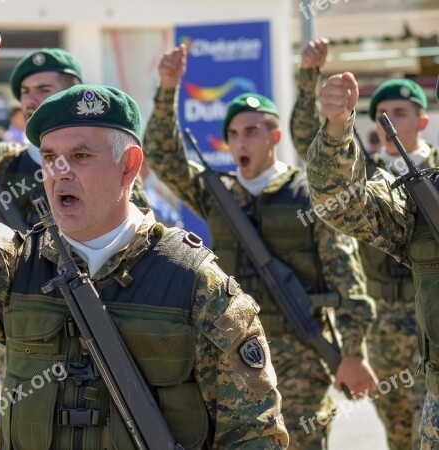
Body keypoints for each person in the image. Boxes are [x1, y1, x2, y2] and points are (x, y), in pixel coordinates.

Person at [0, 26, 289, 449]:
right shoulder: (16, 268)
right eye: (50, 158)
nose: (60, 171)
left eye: (82, 156)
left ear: (129, 166)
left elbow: (254, 435)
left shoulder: (198, 286)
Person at [142, 44, 378, 449]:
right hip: (231, 356)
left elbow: (347, 276)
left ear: (274, 136)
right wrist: (167, 88)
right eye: (233, 134)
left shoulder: (308, 194)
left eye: (251, 131)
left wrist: (353, 353)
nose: (240, 143)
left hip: (300, 357)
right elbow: (163, 154)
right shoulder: (219, 193)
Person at [291, 40, 430, 450]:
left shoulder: (436, 172)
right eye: (383, 116)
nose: (391, 122)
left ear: (422, 120)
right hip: (388, 324)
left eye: (401, 113)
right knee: (400, 433)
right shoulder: (366, 175)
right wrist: (312, 86)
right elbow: (310, 144)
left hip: (431, 319)